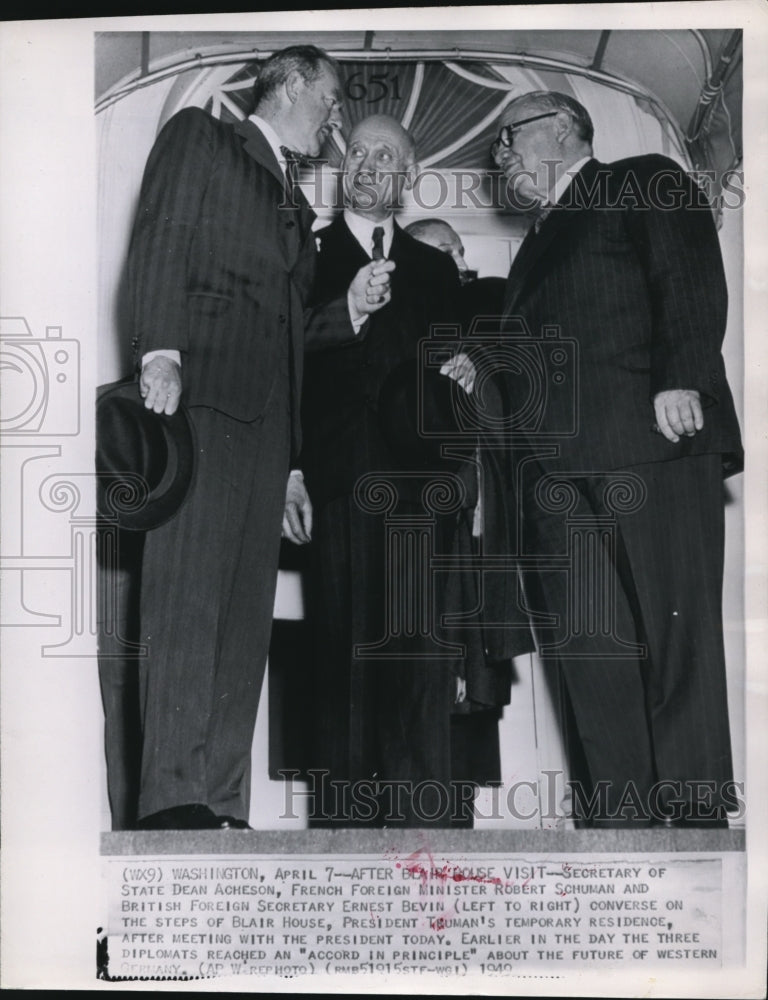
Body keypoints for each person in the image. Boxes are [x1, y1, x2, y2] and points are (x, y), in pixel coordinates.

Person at [120, 45, 390, 831]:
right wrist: (159, 350)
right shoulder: (203, 139)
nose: (335, 116)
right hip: (199, 407)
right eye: (332, 97)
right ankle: (172, 799)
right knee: (185, 603)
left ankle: (222, 802)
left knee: (243, 623)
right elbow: (163, 237)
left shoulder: (294, 206)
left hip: (270, 437)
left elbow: (288, 334)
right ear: (295, 80)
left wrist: (347, 312)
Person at [492, 90, 743, 827]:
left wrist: (682, 376)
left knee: (676, 639)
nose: (502, 156)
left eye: (510, 138)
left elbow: (691, 275)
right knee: (589, 658)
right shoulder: (538, 241)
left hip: (649, 444)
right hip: (556, 480)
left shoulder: (641, 176)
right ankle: (619, 823)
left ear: (563, 129)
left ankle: (695, 816)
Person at [286, 115, 532, 828]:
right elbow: (276, 363)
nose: (368, 163)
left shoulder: (434, 269)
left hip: (425, 499)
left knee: (422, 672)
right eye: (357, 151)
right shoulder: (303, 250)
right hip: (337, 490)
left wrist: (473, 365)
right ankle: (345, 846)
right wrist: (290, 473)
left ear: (407, 174)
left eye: (385, 154)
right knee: (342, 671)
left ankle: (427, 845)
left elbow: (483, 358)